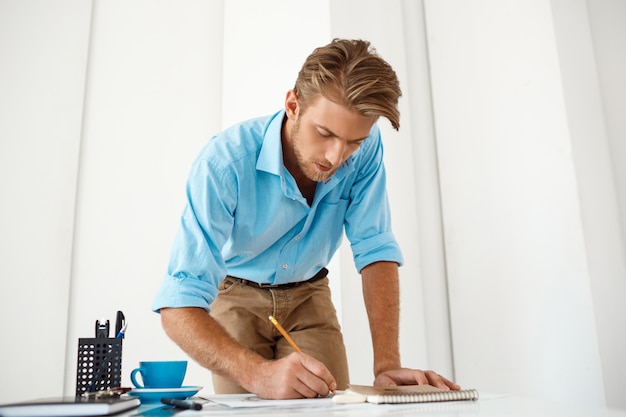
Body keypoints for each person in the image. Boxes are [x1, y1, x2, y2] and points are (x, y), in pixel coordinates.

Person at [152, 38, 460, 399]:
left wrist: (386, 366)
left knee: (330, 407)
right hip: (235, 294)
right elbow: (178, 303)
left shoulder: (365, 150)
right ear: (293, 104)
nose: (336, 156)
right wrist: (257, 374)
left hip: (309, 294)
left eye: (353, 142)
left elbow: (374, 247)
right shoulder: (223, 164)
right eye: (325, 133)